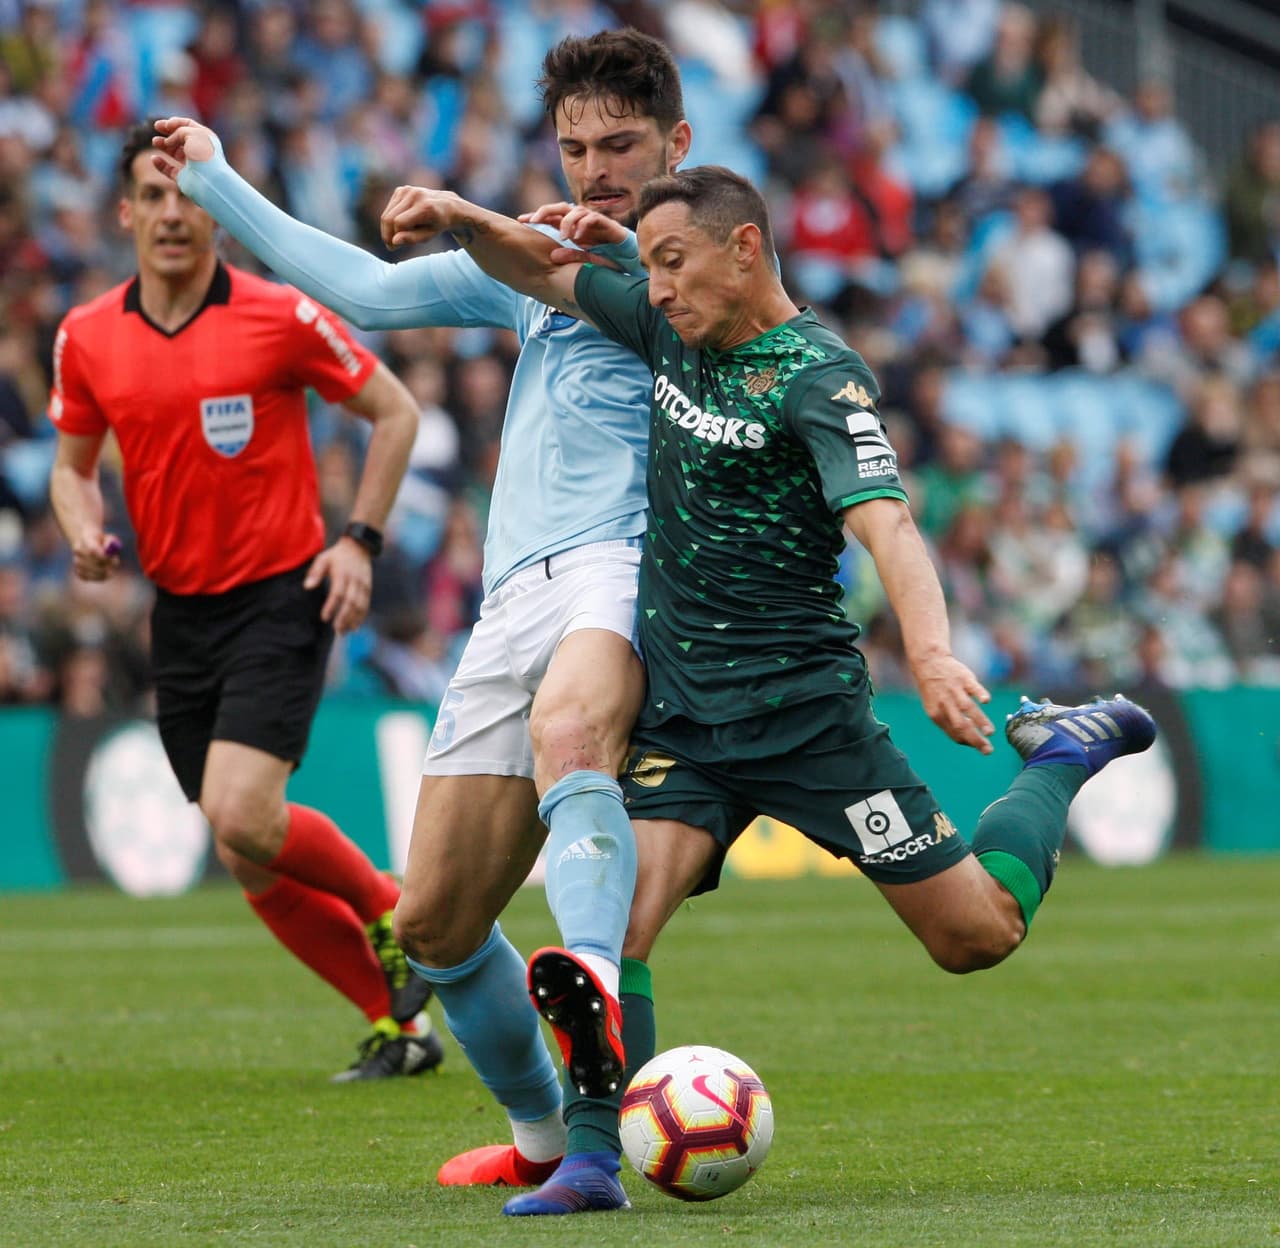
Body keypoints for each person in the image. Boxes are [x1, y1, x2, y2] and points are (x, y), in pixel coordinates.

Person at [373, 163, 1158, 1214]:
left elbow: (886, 523)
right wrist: (464, 216)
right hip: (686, 716)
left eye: (671, 263)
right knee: (614, 934)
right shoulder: (663, 328)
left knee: (972, 936)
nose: (653, 288)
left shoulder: (816, 378)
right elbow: (547, 273)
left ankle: (1059, 756)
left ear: (743, 250)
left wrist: (926, 654)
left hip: (805, 721)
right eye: (646, 268)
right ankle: (593, 1162)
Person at [151, 28, 694, 1195]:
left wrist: (473, 222)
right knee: (438, 924)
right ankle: (547, 1141)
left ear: (677, 143)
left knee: (572, 735)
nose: (594, 170)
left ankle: (589, 979)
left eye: (620, 146)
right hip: (512, 599)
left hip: (628, 569)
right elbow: (360, 288)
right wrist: (213, 176)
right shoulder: (533, 251)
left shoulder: (703, 267)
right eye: (574, 148)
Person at [47, 122, 435, 1083]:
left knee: (241, 811)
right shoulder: (87, 335)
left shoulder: (278, 316)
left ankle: (397, 913)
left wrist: (359, 541)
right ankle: (399, 1026)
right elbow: (70, 466)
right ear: (126, 211)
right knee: (249, 855)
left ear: (215, 207)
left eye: (190, 192)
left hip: (281, 592)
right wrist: (80, 527)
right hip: (180, 613)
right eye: (154, 193)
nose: (174, 212)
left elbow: (395, 411)